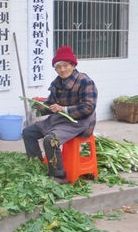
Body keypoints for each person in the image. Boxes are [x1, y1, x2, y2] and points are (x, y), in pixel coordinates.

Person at [22, 46, 97, 184]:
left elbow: (89, 107)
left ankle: (58, 177)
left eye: (65, 65)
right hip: (59, 119)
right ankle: (36, 165)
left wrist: (64, 109)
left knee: (51, 140)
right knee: (28, 132)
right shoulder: (57, 83)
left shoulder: (85, 81)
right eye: (58, 67)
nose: (62, 70)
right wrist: (40, 106)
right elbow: (51, 105)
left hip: (79, 122)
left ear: (73, 65)